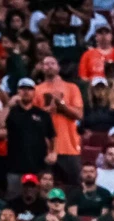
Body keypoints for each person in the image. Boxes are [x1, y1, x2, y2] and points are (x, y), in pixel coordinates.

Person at [33, 56, 84, 185]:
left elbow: (79, 114)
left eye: (52, 63)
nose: (49, 66)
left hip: (69, 146)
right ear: (42, 68)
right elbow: (32, 117)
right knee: (44, 187)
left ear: (58, 67)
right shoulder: (36, 90)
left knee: (74, 186)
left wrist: (62, 106)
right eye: (46, 64)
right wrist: (46, 111)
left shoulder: (72, 88)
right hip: (45, 148)